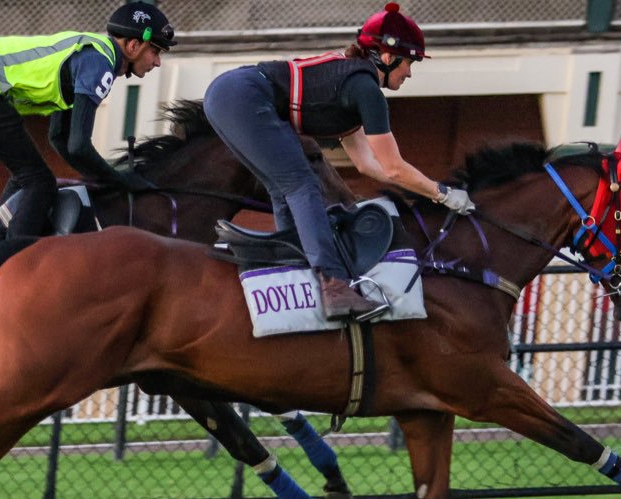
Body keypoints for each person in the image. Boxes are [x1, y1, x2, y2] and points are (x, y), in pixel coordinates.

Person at [203, 2, 475, 319]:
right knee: (302, 184)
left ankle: (302, 269)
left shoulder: (354, 83)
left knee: (285, 188)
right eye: (409, 62)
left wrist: (426, 190)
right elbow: (394, 168)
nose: (410, 73)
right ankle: (334, 286)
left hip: (229, 94)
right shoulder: (366, 90)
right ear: (388, 57)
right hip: (242, 95)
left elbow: (368, 165)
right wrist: (442, 194)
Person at [0, 2, 175, 238]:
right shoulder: (99, 63)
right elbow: (78, 145)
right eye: (155, 52)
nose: (157, 62)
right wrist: (122, 180)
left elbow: (60, 139)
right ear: (133, 46)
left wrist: (106, 180)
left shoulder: (94, 55)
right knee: (39, 182)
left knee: (27, 177)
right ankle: (9, 255)